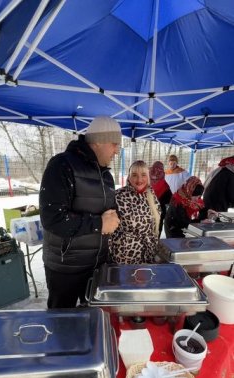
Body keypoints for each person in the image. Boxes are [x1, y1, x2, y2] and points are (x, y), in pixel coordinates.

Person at [39, 116, 121, 308]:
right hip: (65, 268)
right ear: (98, 141)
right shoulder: (62, 165)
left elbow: (106, 210)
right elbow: (53, 219)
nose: (117, 151)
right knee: (62, 323)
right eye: (114, 144)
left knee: (94, 321)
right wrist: (99, 224)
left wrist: (114, 217)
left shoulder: (106, 175)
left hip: (97, 266)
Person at [109, 160, 161, 264]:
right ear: (129, 177)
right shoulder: (118, 196)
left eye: (143, 175)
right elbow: (109, 230)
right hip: (125, 255)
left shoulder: (151, 195)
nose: (139, 179)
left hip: (148, 253)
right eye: (134, 175)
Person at [149, 160, 172, 237]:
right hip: (159, 213)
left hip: (145, 213)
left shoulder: (145, 180)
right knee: (156, 234)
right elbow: (169, 199)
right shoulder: (164, 185)